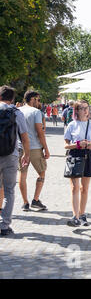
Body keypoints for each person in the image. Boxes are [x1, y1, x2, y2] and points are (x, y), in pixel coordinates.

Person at [64, 100, 91, 227]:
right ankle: (75, 216)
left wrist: (89, 144)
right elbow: (66, 145)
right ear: (76, 111)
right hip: (74, 155)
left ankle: (82, 213)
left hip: (87, 155)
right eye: (82, 108)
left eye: (87, 108)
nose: (85, 110)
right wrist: (78, 144)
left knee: (84, 188)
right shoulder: (71, 125)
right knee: (74, 188)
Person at [0, 85, 30, 236]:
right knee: (9, 190)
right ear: (12, 99)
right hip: (11, 155)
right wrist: (26, 154)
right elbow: (24, 136)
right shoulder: (16, 113)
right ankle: (4, 225)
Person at [18, 90, 50, 211]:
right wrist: (46, 149)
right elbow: (40, 132)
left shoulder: (18, 111)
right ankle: (35, 200)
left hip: (21, 147)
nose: (39, 102)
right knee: (42, 172)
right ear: (33, 99)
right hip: (35, 147)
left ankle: (25, 202)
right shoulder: (36, 112)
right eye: (38, 99)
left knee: (22, 174)